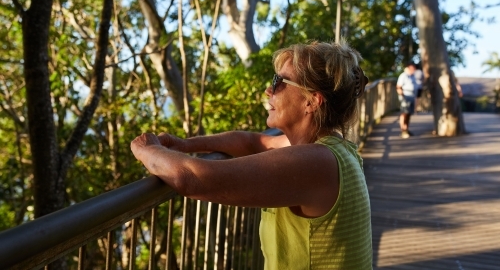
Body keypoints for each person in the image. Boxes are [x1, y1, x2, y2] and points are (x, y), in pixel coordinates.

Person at [130, 41, 373, 269]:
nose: (269, 89)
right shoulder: (334, 151)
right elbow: (251, 141)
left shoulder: (317, 162)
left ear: (311, 101)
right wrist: (185, 144)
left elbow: (192, 179)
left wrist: (147, 149)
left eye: (280, 81)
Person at [396, 62, 417, 138]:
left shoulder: (413, 76)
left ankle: (406, 129)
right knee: (404, 113)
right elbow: (398, 87)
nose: (414, 69)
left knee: (408, 114)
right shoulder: (403, 75)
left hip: (411, 96)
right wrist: (402, 97)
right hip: (405, 96)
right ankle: (402, 130)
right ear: (408, 68)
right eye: (412, 68)